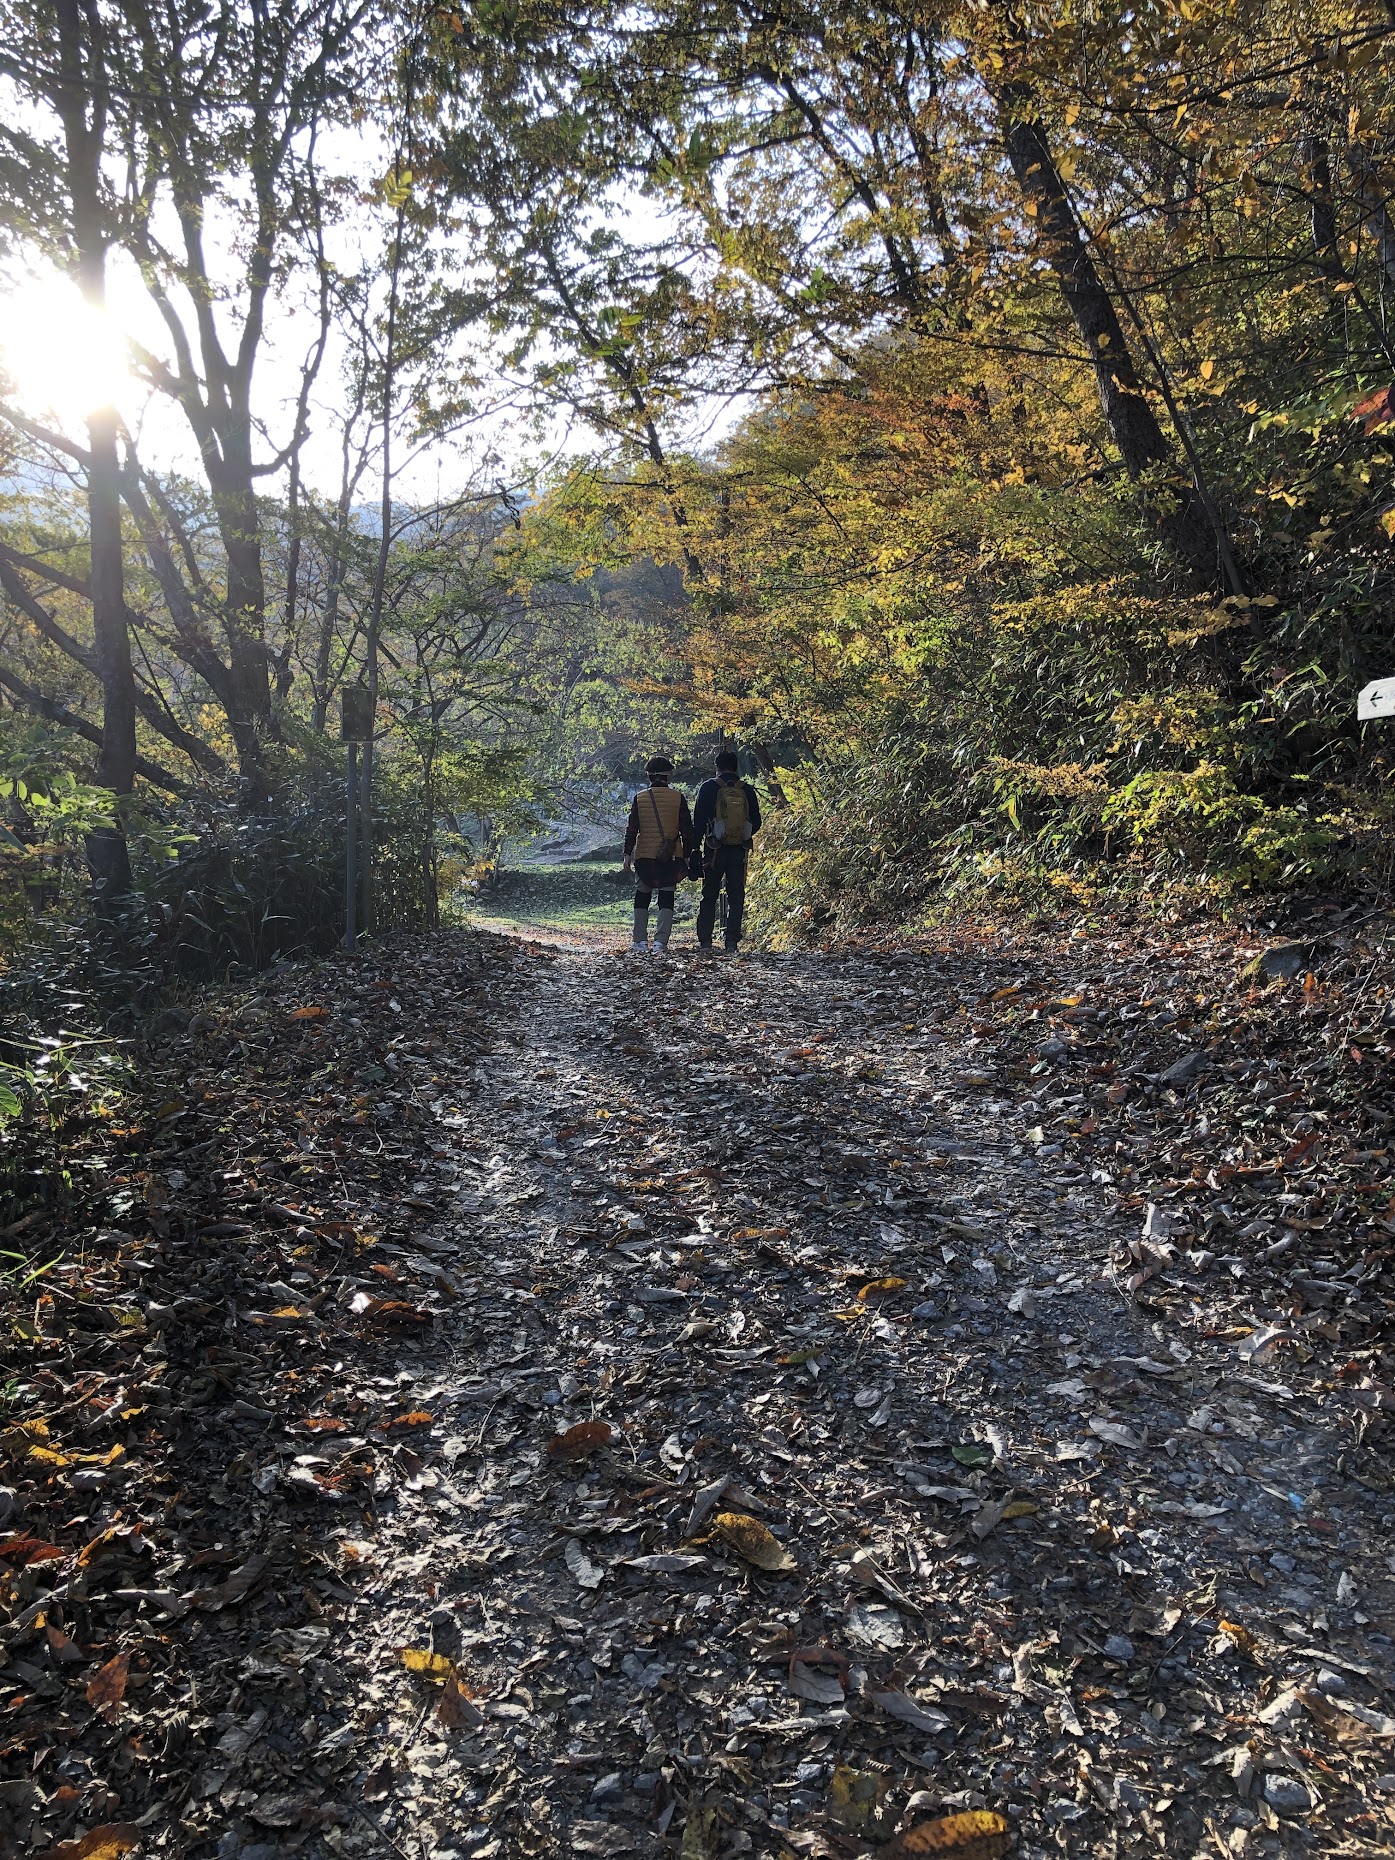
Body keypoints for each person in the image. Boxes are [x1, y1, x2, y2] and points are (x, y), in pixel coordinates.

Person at [692, 749, 762, 954]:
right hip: (739, 850)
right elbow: (757, 821)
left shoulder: (708, 787)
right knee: (736, 895)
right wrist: (741, 834)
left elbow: (698, 821)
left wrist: (695, 847)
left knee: (709, 894)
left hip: (714, 849)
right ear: (736, 767)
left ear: (717, 767)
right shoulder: (746, 790)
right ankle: (731, 941)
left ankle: (705, 941)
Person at [623, 756, 694, 953]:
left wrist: (627, 854)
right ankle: (660, 942)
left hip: (644, 856)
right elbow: (687, 830)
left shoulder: (640, 798)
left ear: (648, 775)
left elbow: (632, 829)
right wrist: (687, 855)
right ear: (668, 775)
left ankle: (639, 941)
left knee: (642, 896)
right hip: (670, 856)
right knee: (666, 897)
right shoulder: (678, 798)